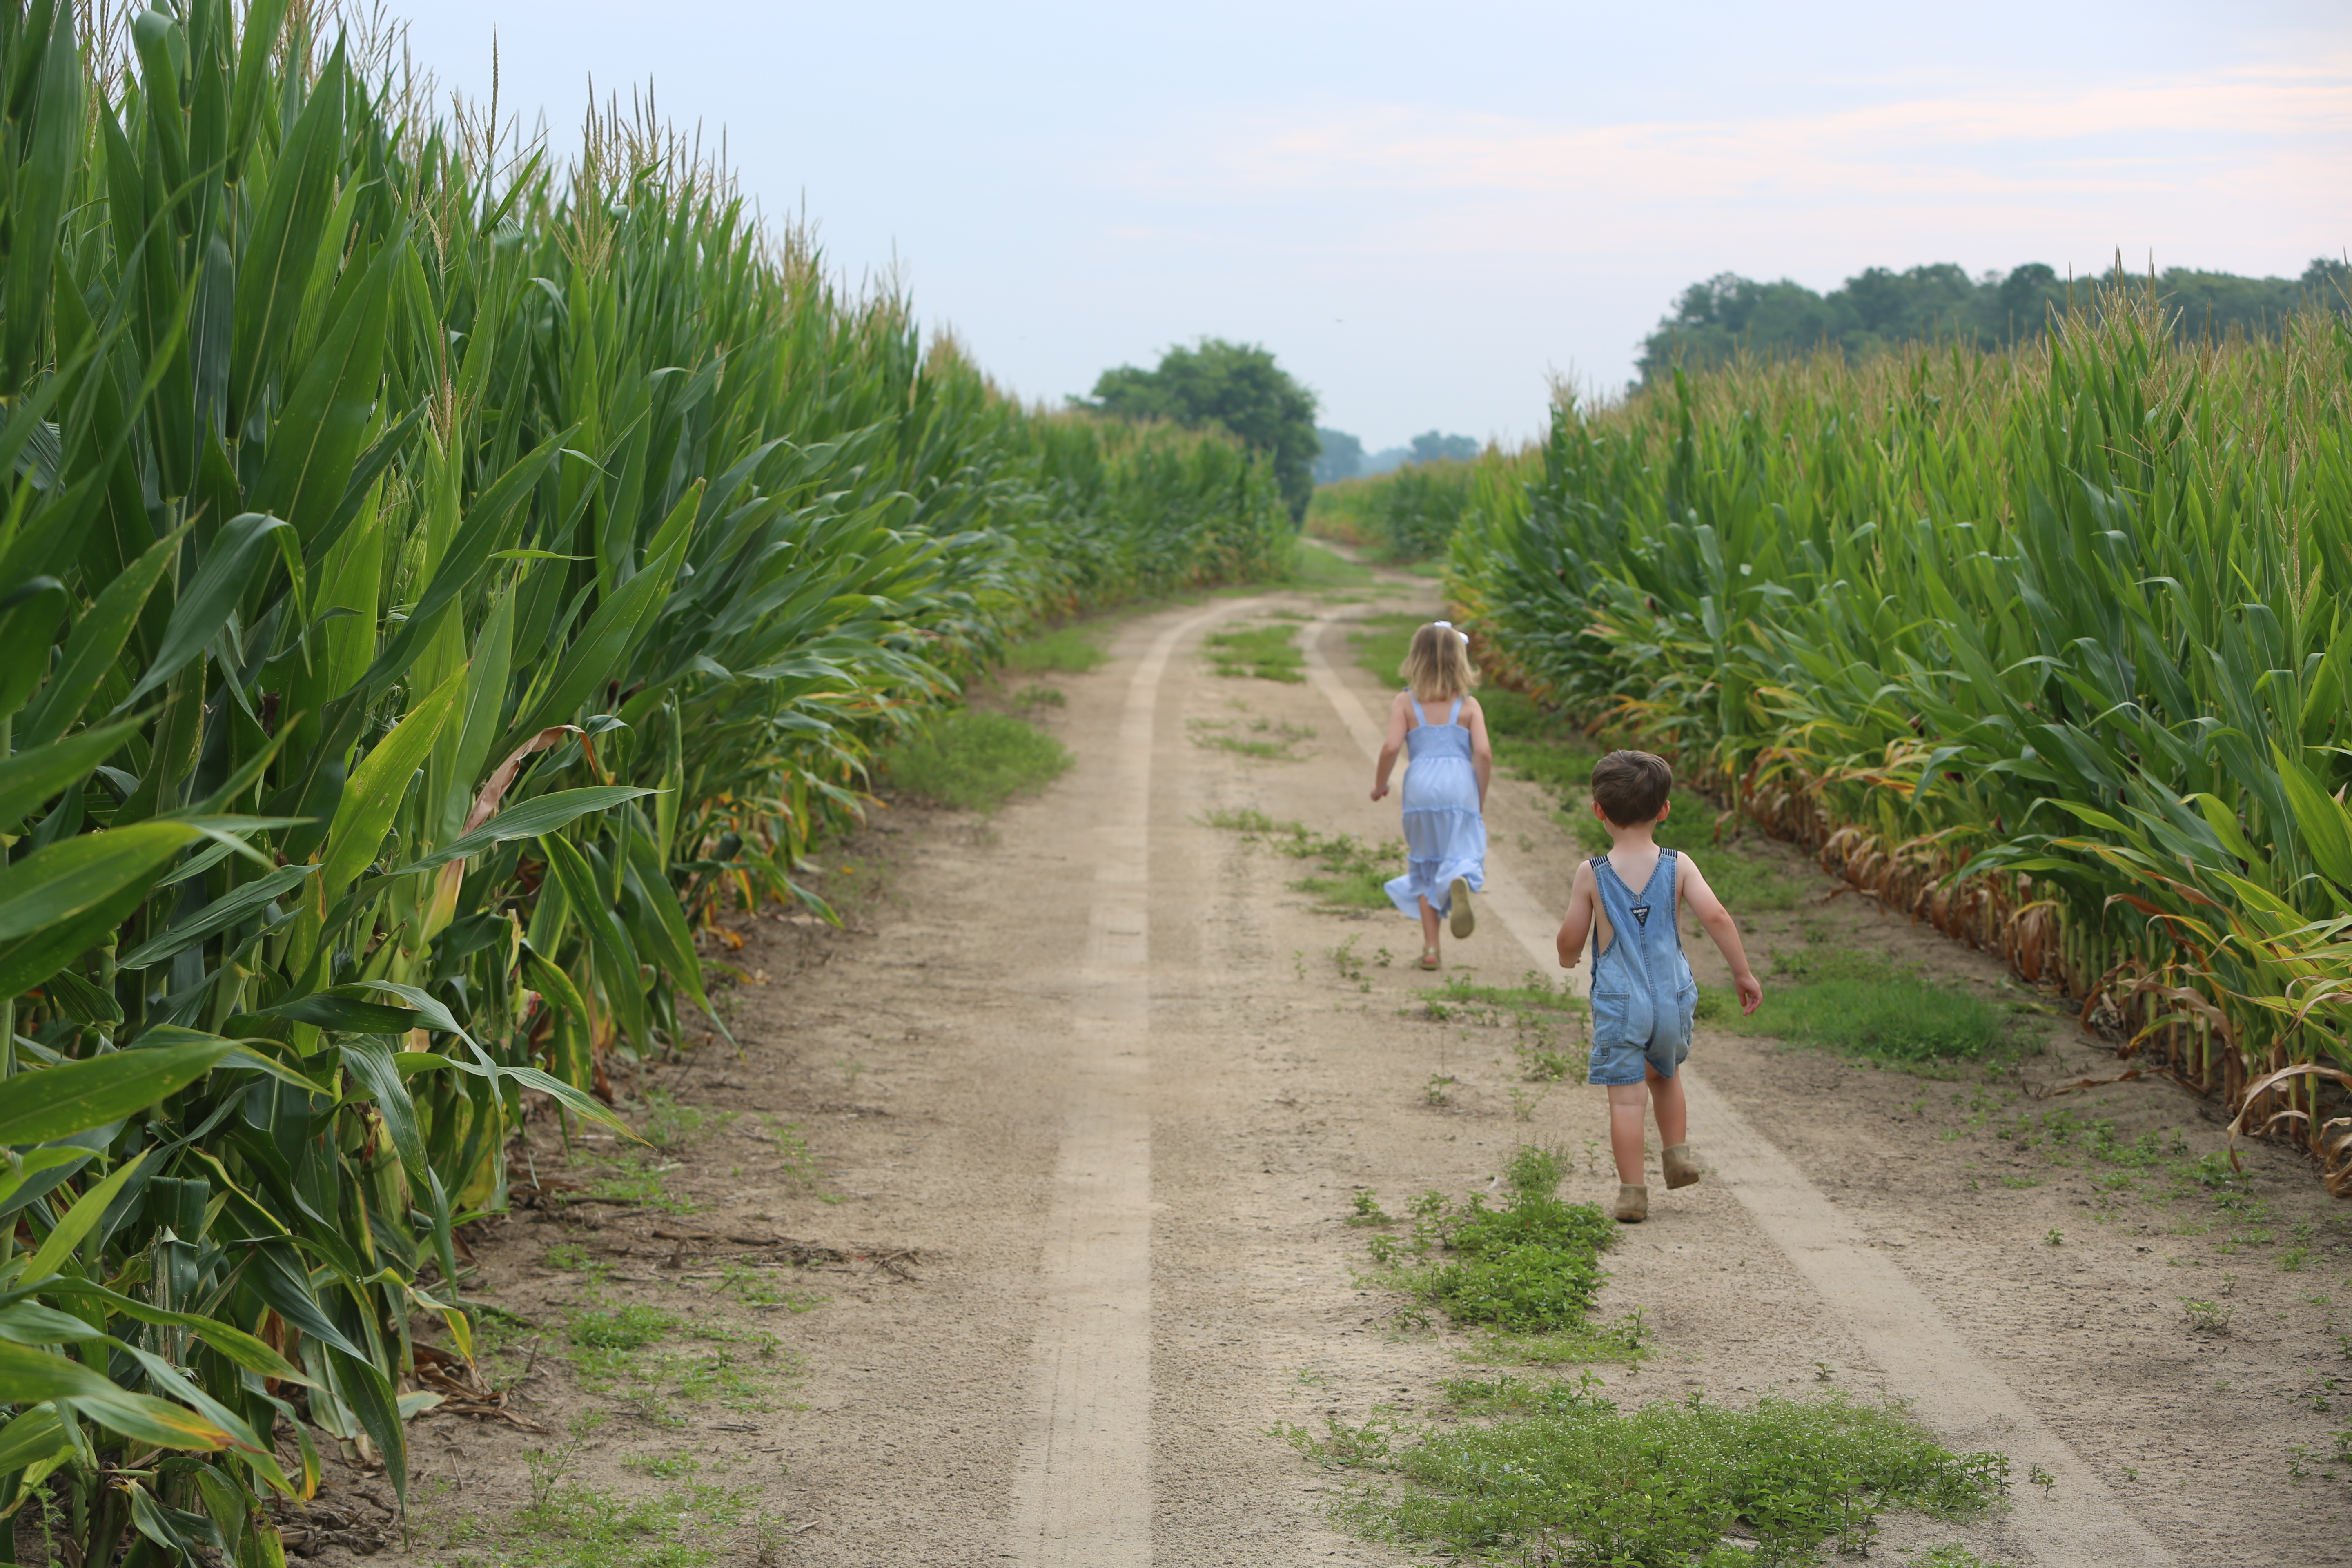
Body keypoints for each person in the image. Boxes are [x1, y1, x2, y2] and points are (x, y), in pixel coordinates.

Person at [1553, 749, 1762, 1223]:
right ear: (1664, 810)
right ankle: (1677, 1154)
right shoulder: (1679, 865)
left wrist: (1569, 955)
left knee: (1627, 1097)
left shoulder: (1593, 873)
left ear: (1599, 811)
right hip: (1672, 994)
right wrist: (1742, 972)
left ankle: (1632, 1193)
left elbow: (1571, 934)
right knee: (1666, 1076)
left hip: (1620, 1002)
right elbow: (1717, 916)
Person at [1370, 621, 1492, 971]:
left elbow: (1392, 745)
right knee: (1463, 850)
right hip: (1459, 786)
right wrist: (1478, 798)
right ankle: (1459, 879)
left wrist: (1380, 785)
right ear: (1460, 659)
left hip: (1420, 787)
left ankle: (1431, 948)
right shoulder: (1469, 706)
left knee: (1424, 862)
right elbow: (1483, 754)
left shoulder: (1406, 701)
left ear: (1416, 658)